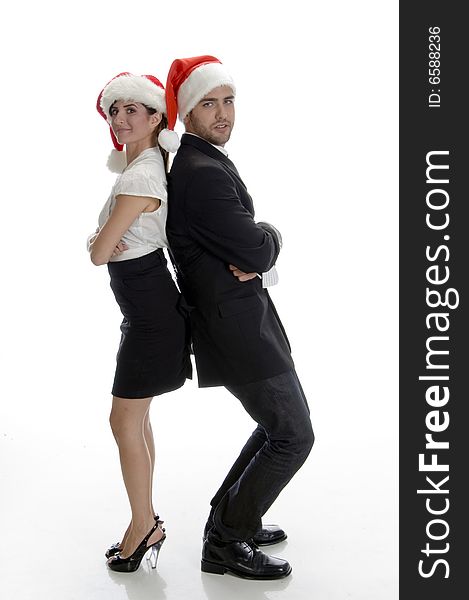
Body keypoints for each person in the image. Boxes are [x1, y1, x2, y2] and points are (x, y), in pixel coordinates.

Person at [158, 55, 315, 580]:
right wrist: (269, 234)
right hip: (234, 325)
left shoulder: (203, 158)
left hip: (243, 317)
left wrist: (255, 249)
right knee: (293, 434)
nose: (223, 114)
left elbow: (248, 254)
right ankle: (225, 542)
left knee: (277, 425)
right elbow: (254, 251)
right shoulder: (200, 172)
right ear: (186, 112)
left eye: (228, 101)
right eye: (209, 103)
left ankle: (230, 518)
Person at [87, 72, 191, 573]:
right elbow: (103, 245)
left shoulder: (142, 176)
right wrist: (102, 242)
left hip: (151, 315)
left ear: (156, 117)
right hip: (144, 312)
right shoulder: (136, 170)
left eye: (134, 110)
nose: (122, 119)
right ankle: (144, 519)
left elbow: (99, 251)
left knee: (123, 420)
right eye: (115, 111)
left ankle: (142, 525)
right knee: (136, 419)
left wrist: (100, 242)